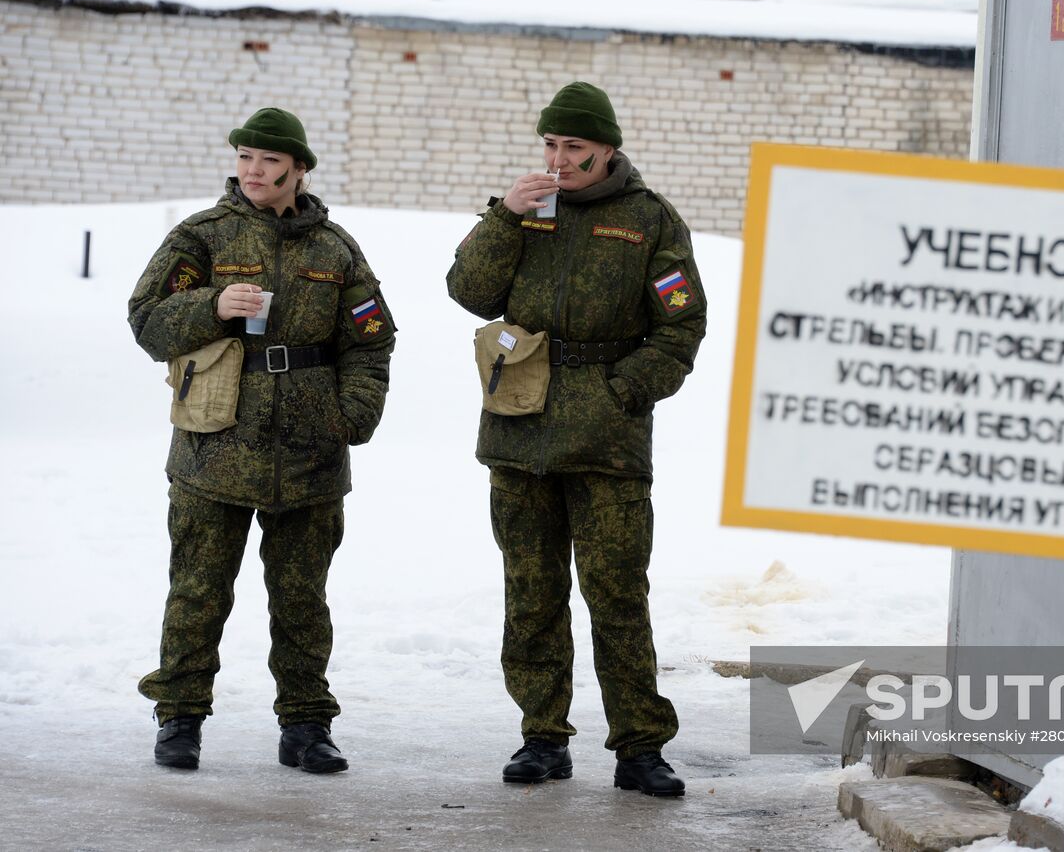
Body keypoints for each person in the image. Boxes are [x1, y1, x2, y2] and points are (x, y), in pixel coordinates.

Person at [446, 82, 706, 798]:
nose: (559, 161)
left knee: (617, 593)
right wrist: (505, 216)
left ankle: (639, 747)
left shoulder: (649, 221)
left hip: (607, 440)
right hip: (519, 428)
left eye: (575, 149)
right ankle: (542, 737)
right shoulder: (522, 212)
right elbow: (468, 291)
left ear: (608, 151)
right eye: (552, 146)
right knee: (531, 592)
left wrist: (626, 391)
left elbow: (681, 325)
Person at [128, 108, 395, 773]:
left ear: (298, 170)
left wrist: (351, 418)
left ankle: (306, 727)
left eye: (269, 161)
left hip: (310, 449)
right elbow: (147, 322)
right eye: (246, 157)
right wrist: (211, 306)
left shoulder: (335, 249)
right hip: (215, 444)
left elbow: (371, 340)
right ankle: (180, 719)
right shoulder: (202, 237)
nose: (254, 170)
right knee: (198, 590)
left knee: (302, 600)